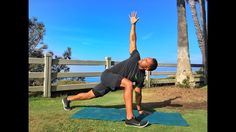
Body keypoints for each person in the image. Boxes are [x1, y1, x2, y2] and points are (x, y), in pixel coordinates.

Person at [62, 11, 158, 128]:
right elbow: (133, 40)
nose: (145, 58)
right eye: (147, 58)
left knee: (90, 95)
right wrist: (133, 25)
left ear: (147, 68)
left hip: (113, 81)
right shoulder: (135, 56)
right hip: (108, 75)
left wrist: (140, 109)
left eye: (147, 60)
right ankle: (130, 119)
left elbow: (138, 93)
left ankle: (67, 99)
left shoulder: (141, 77)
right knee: (128, 84)